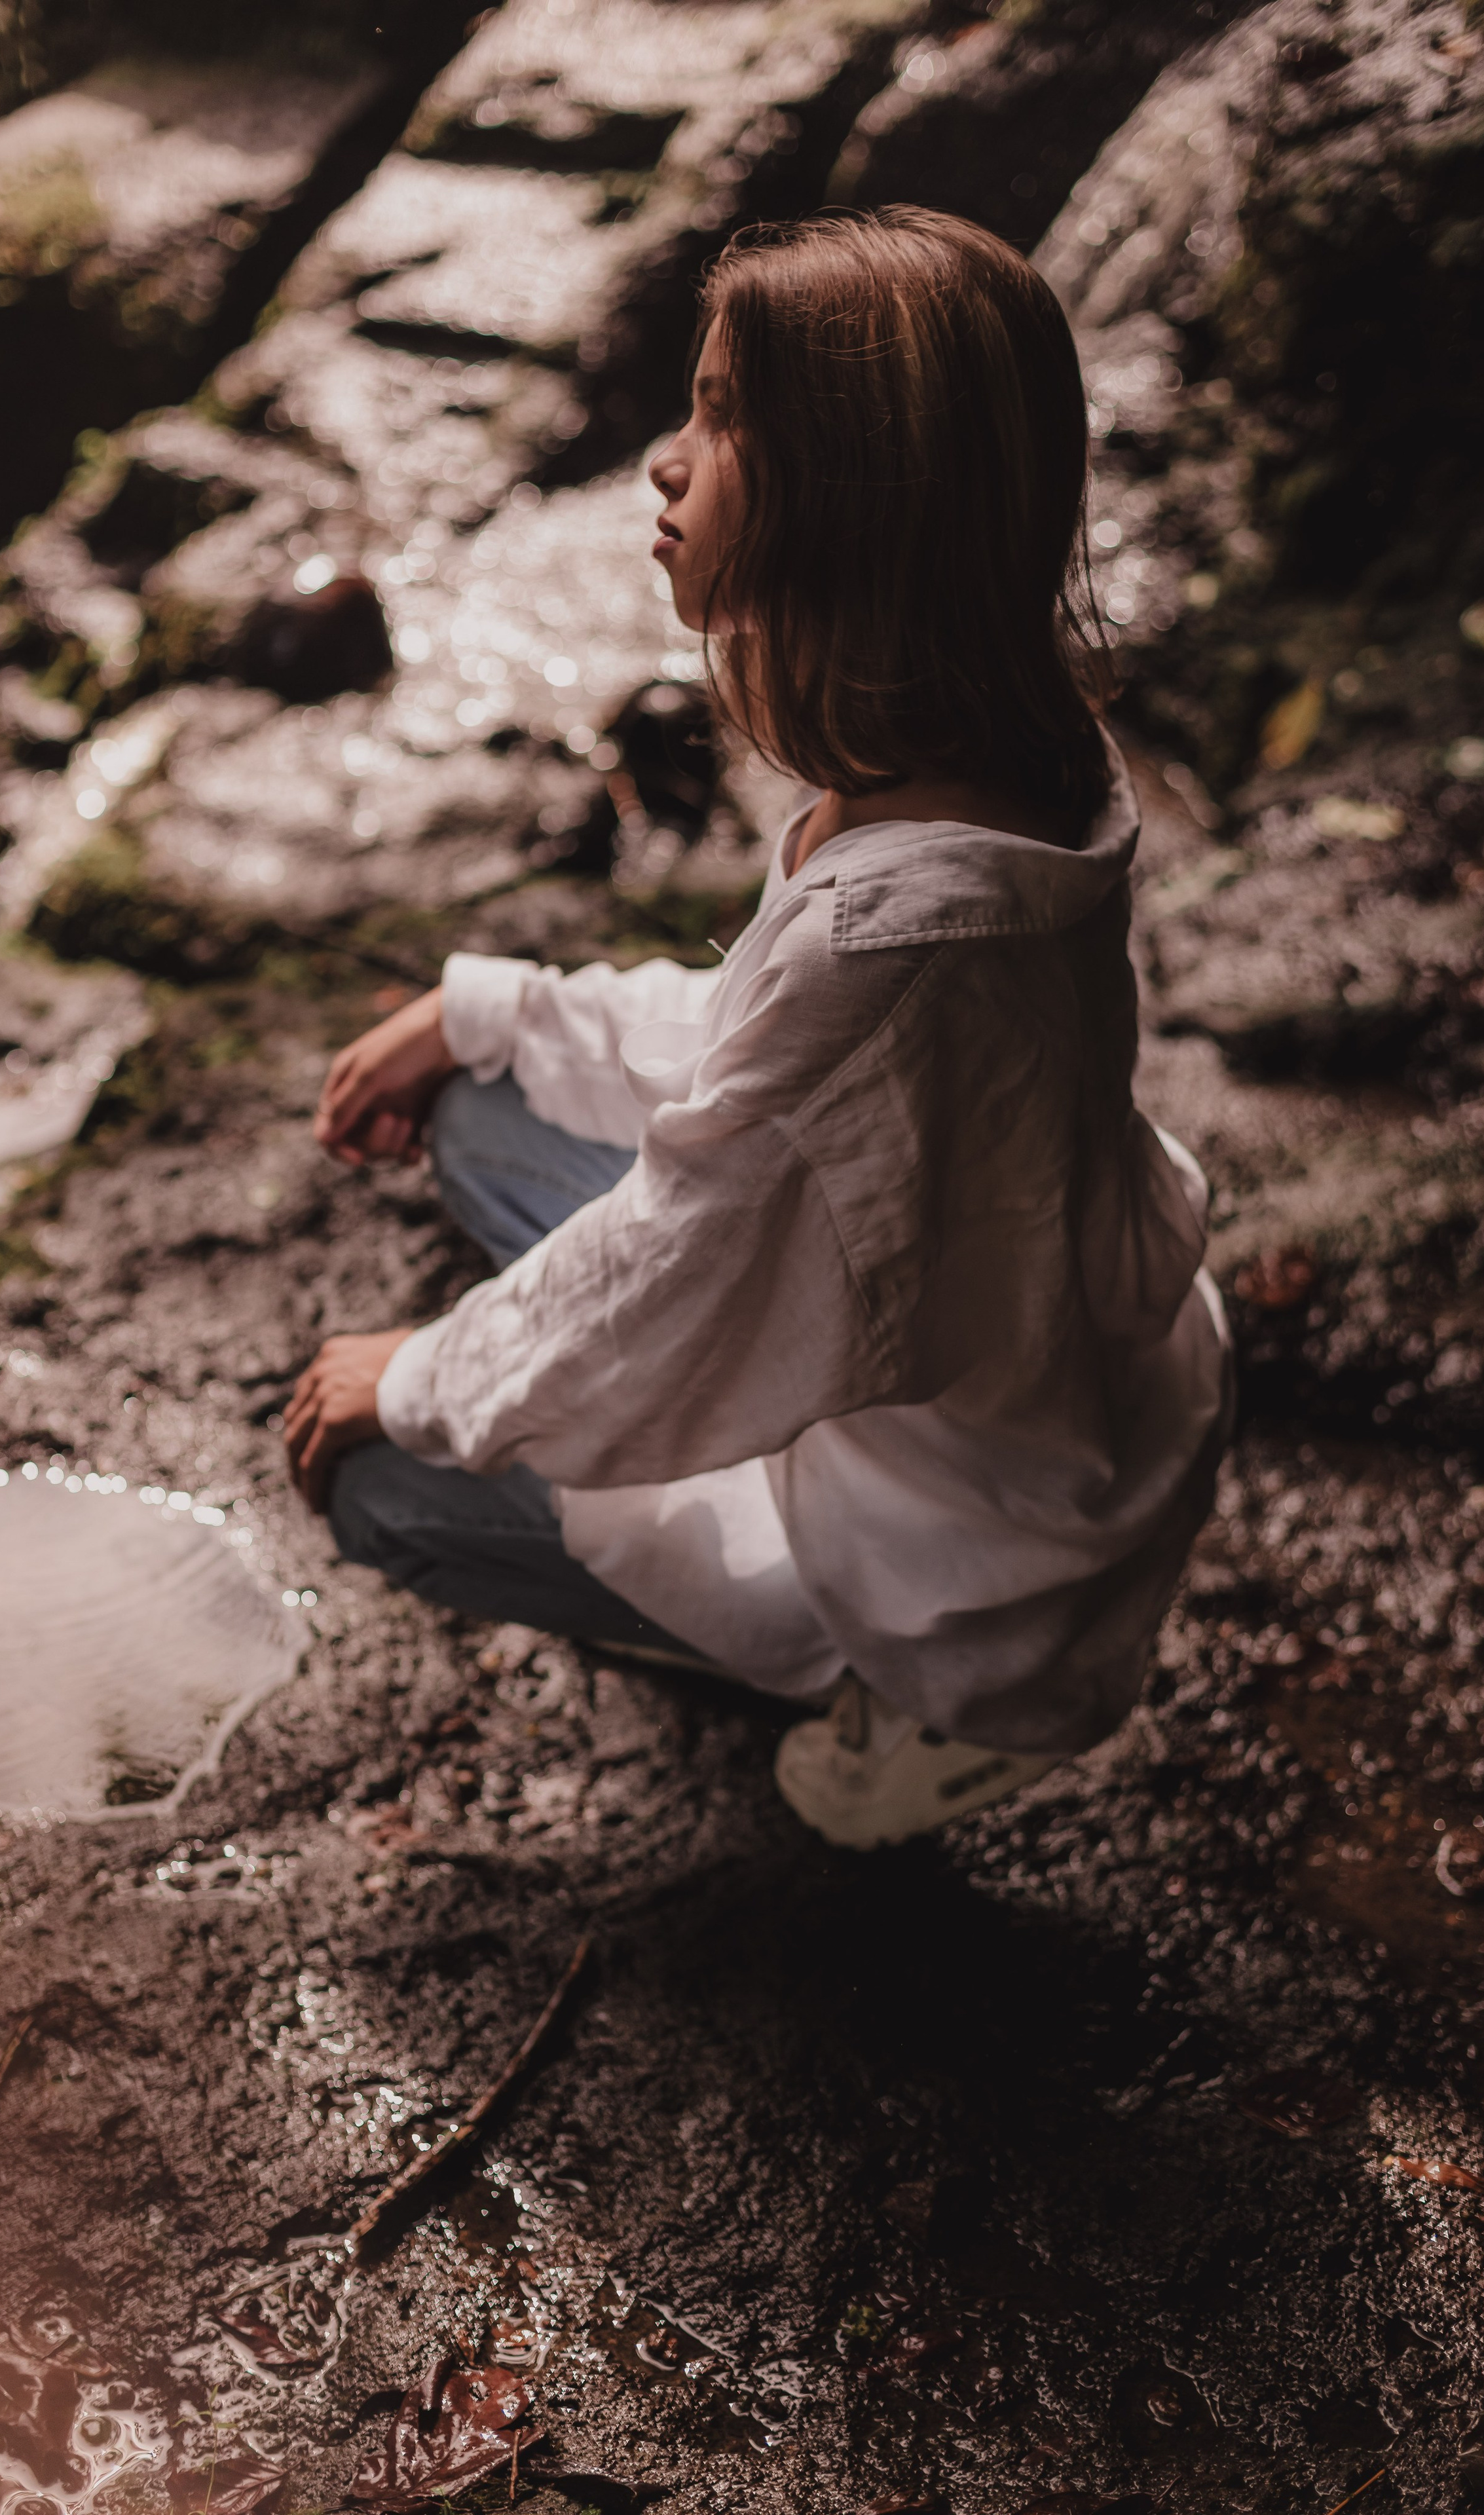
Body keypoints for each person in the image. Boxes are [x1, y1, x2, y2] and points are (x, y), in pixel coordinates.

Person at [282, 206, 1231, 1851]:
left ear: (852, 506)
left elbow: (678, 1270)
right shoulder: (1006, 767)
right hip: (1012, 1357)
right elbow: (759, 1061)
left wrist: (421, 1378)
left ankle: (893, 1699)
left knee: (379, 1486)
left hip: (962, 1553)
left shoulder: (899, 940)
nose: (664, 462)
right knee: (487, 1104)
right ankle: (779, 1608)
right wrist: (484, 1005)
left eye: (723, 421)